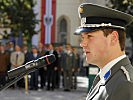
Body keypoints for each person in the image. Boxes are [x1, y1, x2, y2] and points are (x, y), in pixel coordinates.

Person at [74, 3, 133, 100]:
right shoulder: (106, 76)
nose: (82, 44)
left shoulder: (125, 84)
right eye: (83, 37)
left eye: (89, 36)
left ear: (113, 38)